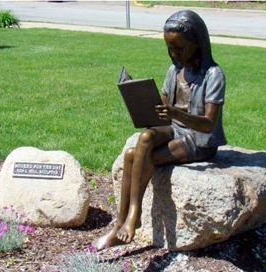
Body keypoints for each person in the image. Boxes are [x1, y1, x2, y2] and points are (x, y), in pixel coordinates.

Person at [92, 9, 227, 250]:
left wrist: (176, 113)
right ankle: (121, 222)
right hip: (173, 128)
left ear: (197, 44)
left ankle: (132, 216)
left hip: (198, 140)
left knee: (136, 158)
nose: (174, 54)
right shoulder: (174, 71)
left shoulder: (213, 75)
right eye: (170, 49)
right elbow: (163, 109)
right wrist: (141, 101)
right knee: (142, 141)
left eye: (179, 48)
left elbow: (208, 123)